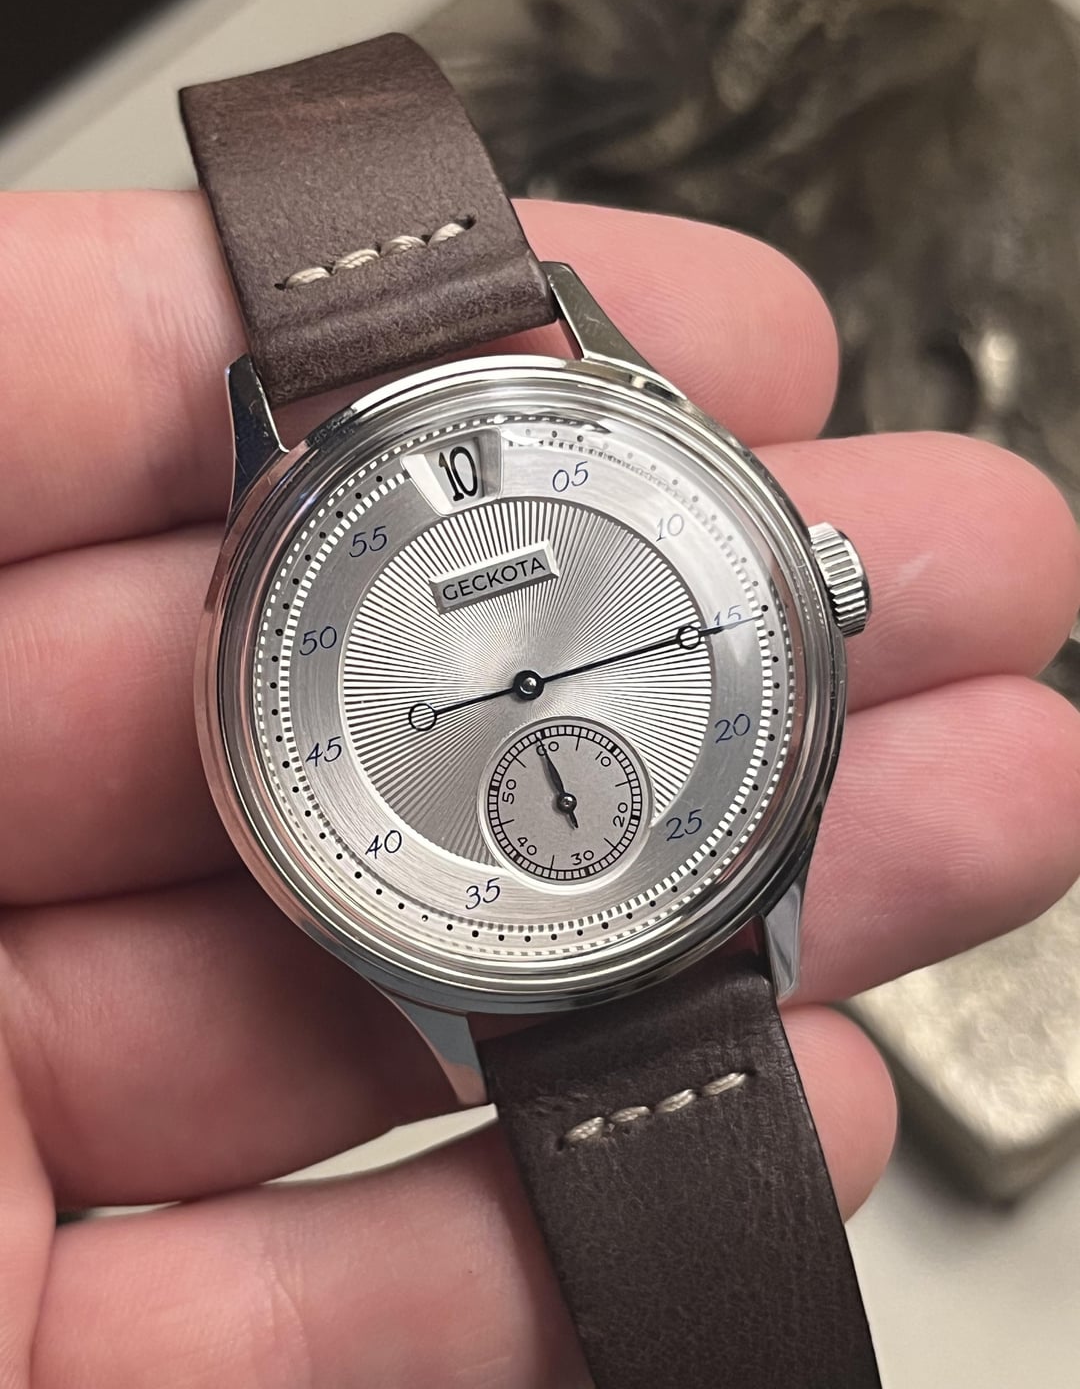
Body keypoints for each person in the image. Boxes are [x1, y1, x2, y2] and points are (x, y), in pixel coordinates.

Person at [0, 193, 1078, 1387]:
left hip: (687, 910)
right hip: (495, 953)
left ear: (817, 586)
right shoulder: (271, 676)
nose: (524, 677)